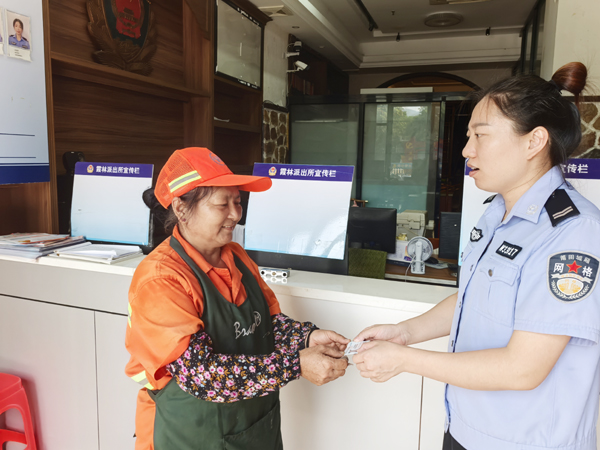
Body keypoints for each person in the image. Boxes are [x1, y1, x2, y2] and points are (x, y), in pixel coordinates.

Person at [353, 62, 600, 450]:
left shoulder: (572, 232)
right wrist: (404, 334)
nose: (467, 150)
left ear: (534, 141)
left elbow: (523, 368)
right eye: (469, 136)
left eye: (480, 135)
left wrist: (404, 360)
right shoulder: (496, 212)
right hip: (466, 427)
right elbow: (473, 297)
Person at [125, 147, 349, 450]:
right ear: (181, 208)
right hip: (191, 435)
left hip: (255, 428)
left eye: (238, 202)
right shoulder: (161, 279)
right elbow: (202, 375)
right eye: (222, 204)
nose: (235, 215)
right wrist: (296, 365)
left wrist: (307, 337)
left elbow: (267, 324)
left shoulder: (237, 256)